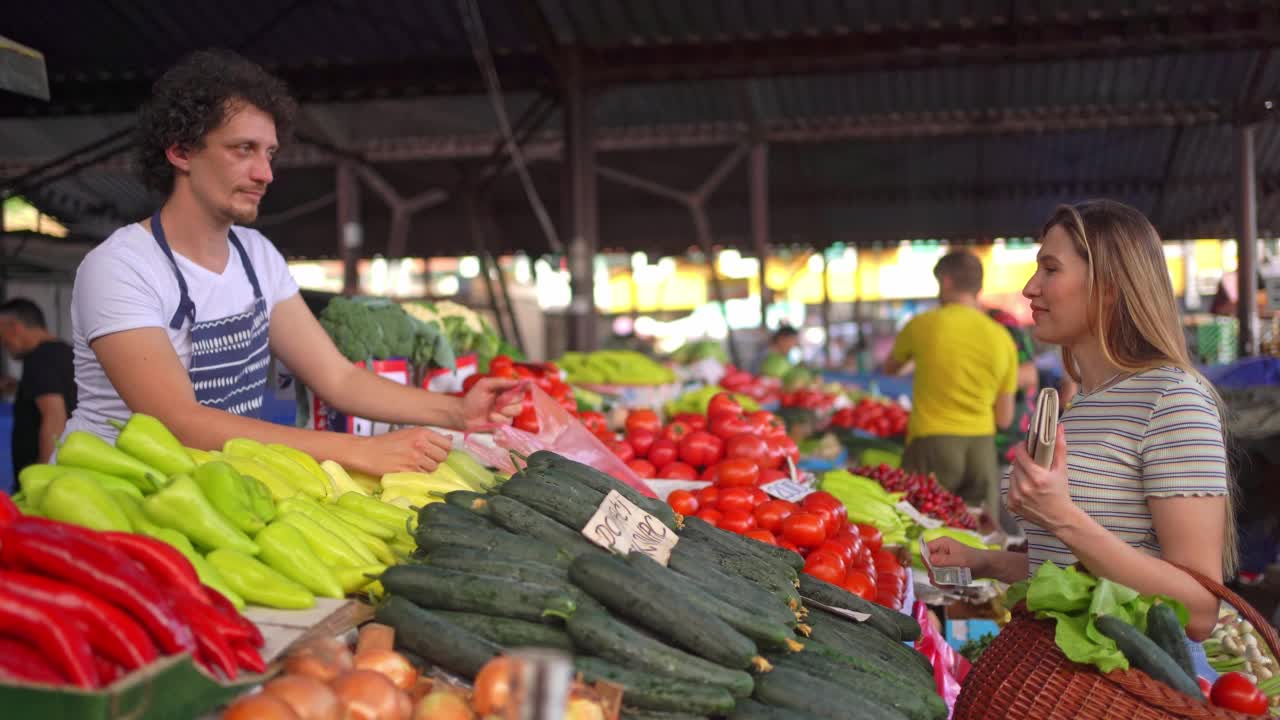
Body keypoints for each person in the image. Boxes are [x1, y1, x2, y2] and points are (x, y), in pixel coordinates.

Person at [63, 50, 521, 476]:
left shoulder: (256, 256)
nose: (266, 173)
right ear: (180, 152)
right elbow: (179, 422)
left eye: (269, 153)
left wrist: (458, 411)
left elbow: (337, 378)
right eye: (243, 149)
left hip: (213, 480)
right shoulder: (121, 268)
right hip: (114, 485)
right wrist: (361, 451)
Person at [926, 200, 1235, 646]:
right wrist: (987, 561)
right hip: (1051, 677)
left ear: (1109, 284)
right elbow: (1081, 574)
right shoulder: (1085, 403)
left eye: (1050, 269)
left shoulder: (1174, 400)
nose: (1031, 288)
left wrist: (1061, 516)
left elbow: (1200, 610)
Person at [883, 251, 1019, 515]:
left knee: (920, 528)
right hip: (981, 449)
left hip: (931, 445)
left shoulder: (923, 325)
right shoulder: (1002, 338)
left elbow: (891, 368)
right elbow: (1004, 418)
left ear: (945, 281)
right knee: (980, 535)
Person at [0, 298, 77, 478]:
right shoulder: (65, 352)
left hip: (45, 480)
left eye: (1, 334)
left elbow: (55, 416)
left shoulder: (38, 360)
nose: (3, 343)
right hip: (71, 471)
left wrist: (44, 478)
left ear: (14, 326)